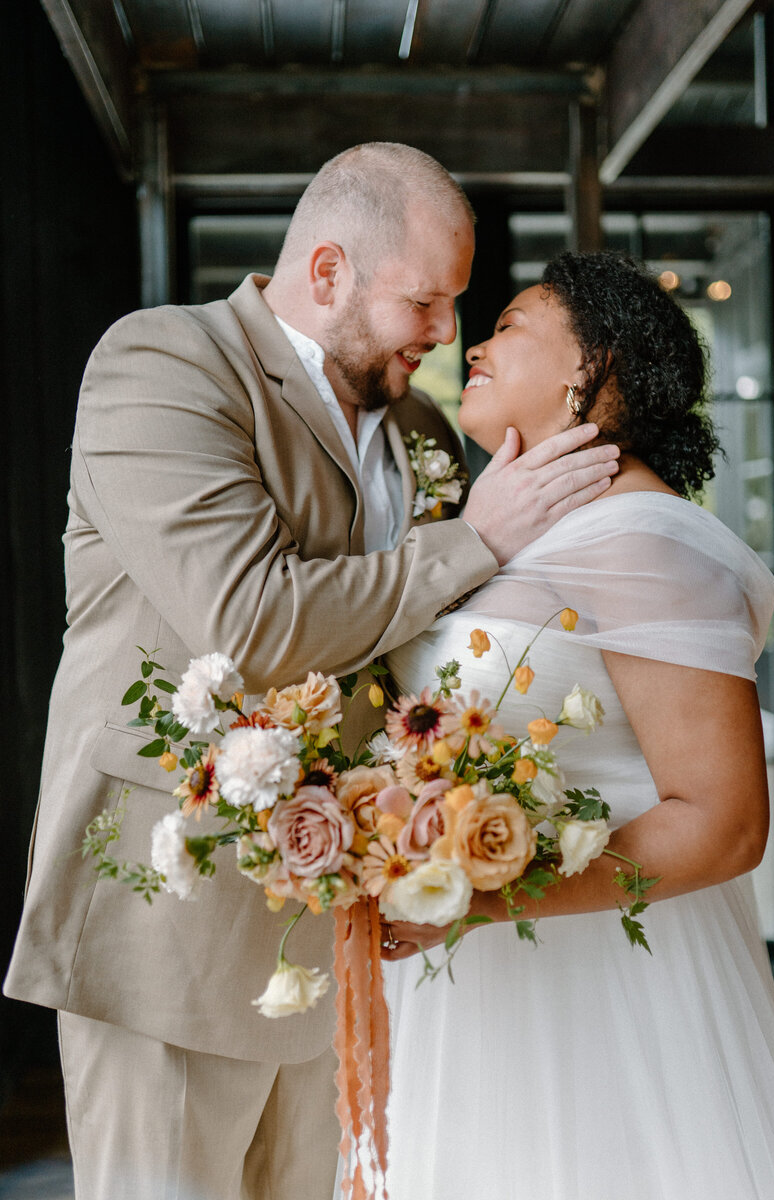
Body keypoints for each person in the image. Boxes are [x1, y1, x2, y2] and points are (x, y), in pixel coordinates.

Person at [2, 145, 619, 1200]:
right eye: (422, 301)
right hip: (173, 928)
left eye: (455, 304)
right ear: (327, 273)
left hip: (346, 937)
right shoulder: (163, 364)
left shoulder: (422, 427)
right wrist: (473, 542)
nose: (441, 334)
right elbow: (247, 620)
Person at [380, 251, 774, 1198]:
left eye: (511, 324)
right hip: (475, 997)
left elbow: (725, 820)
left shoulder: (647, 539)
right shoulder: (507, 533)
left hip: (613, 997)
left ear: (591, 364)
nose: (474, 344)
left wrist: (480, 898)